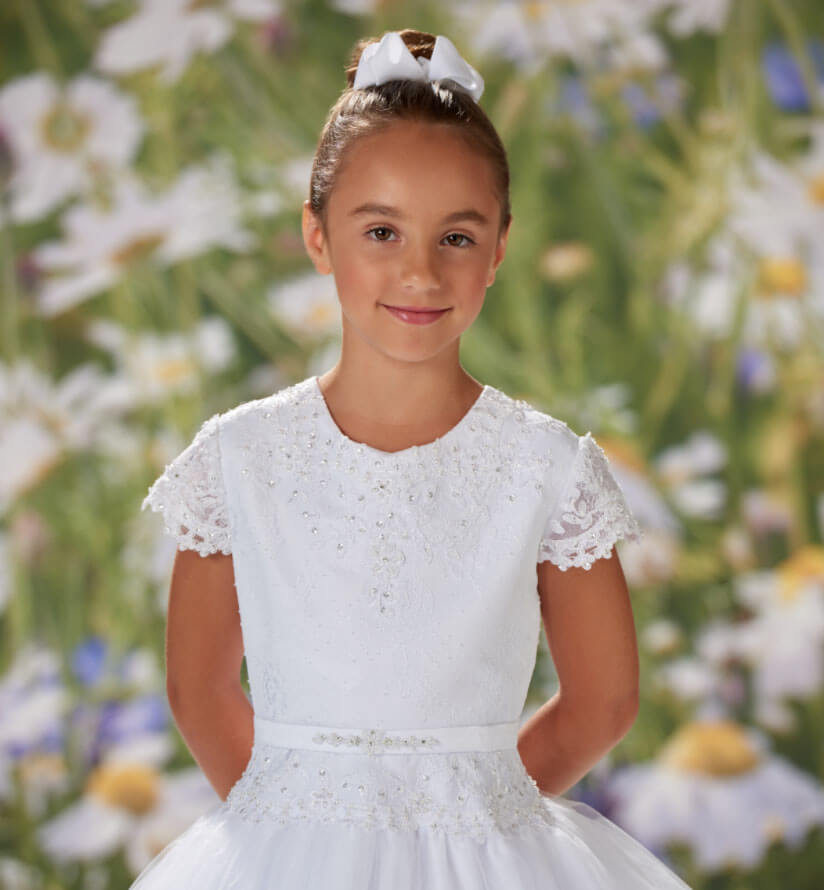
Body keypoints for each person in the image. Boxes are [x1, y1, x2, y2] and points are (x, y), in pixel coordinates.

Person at [133, 27, 693, 890]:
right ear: (318, 238)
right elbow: (197, 687)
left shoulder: (547, 467)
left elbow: (605, 702)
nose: (421, 273)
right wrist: (298, 831)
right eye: (382, 231)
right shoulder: (239, 458)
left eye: (457, 238)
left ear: (501, 248)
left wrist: (470, 818)